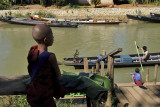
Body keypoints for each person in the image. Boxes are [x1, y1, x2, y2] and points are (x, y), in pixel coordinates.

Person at [26, 24, 67, 107]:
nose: (53, 37)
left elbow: (30, 68)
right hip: (44, 93)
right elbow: (58, 76)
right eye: (52, 35)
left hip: (33, 92)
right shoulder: (50, 56)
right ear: (46, 39)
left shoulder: (32, 51)